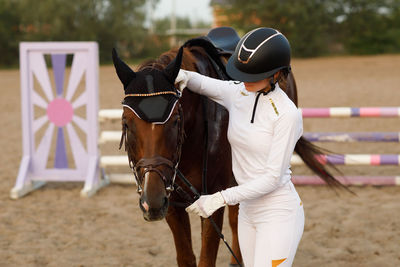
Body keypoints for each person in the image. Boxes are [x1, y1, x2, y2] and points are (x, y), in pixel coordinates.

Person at [175, 27, 304, 267]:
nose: (244, 79)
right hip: (247, 211)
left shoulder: (287, 115)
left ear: (276, 74)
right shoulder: (239, 93)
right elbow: (202, 84)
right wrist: (181, 74)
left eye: (252, 75)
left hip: (277, 212)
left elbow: (272, 179)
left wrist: (219, 198)